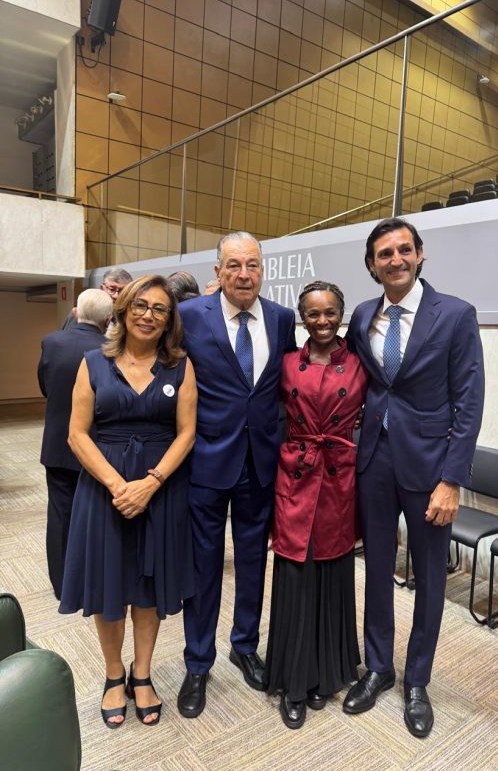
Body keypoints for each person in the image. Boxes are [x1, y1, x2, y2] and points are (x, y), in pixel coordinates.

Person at [344, 217, 484, 738]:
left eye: (404, 250)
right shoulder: (362, 317)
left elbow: (469, 403)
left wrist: (453, 480)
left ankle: (417, 681)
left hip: (430, 471)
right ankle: (378, 667)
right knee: (376, 570)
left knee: (428, 579)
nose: (396, 259)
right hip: (373, 462)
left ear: (420, 255)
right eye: (385, 253)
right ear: (372, 264)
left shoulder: (455, 315)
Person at [59, 274, 197, 729]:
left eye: (160, 309)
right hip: (104, 492)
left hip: (161, 491)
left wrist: (150, 483)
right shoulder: (93, 362)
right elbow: (77, 434)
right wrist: (120, 486)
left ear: (169, 319)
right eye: (141, 305)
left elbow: (187, 433)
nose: (148, 315)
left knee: (149, 588)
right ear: (123, 310)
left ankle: (142, 674)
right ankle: (113, 674)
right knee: (108, 586)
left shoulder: (180, 366)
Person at [177, 231, 296, 719]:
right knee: (203, 569)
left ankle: (244, 645)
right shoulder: (188, 317)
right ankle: (198, 662)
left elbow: (284, 388)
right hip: (205, 462)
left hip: (261, 464)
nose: (244, 274)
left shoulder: (283, 319)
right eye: (234, 265)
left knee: (253, 564)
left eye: (252, 265)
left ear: (261, 269)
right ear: (218, 271)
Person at [263, 281, 367, 730]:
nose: (321, 321)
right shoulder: (286, 363)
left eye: (329, 313)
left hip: (340, 477)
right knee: (295, 572)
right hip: (297, 474)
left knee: (332, 572)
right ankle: (293, 681)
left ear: (341, 314)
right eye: (312, 314)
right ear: (301, 318)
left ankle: (328, 672)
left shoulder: (362, 364)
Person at [38, 289, 113, 599]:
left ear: (75, 313)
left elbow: (44, 386)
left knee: (60, 514)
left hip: (57, 444)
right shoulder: (111, 350)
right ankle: (91, 579)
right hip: (97, 448)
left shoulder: (51, 342)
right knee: (98, 516)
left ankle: (61, 585)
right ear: (109, 320)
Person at [62, 268, 133, 329]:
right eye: (112, 289)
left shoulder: (130, 317)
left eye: (122, 291)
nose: (116, 296)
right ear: (102, 288)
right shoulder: (82, 312)